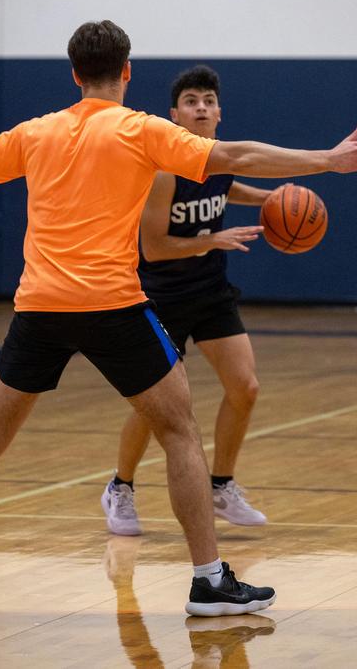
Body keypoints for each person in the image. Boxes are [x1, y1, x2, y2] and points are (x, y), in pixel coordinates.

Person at [0, 20, 357, 617]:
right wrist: (326, 160)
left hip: (39, 308)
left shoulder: (37, 132)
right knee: (179, 432)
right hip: (114, 306)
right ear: (126, 71)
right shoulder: (141, 130)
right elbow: (235, 155)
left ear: (75, 74)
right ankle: (208, 580)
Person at [102, 65, 274, 536]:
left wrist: (272, 199)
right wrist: (212, 240)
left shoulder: (220, 159)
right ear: (174, 115)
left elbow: (226, 187)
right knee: (155, 406)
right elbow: (154, 247)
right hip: (162, 297)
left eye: (208, 101)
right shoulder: (163, 171)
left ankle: (221, 485)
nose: (201, 108)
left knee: (245, 387)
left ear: (219, 113)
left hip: (210, 292)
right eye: (191, 101)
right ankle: (120, 487)